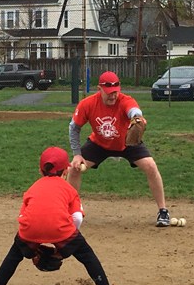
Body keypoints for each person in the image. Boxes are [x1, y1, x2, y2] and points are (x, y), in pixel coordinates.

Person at [0, 147, 126, 285]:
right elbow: (77, 218)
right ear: (66, 170)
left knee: (14, 254)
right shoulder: (69, 189)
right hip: (62, 229)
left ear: (40, 170)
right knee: (87, 255)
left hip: (29, 229)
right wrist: (68, 245)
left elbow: (26, 217)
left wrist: (32, 248)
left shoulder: (32, 188)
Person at [67, 71, 171, 227]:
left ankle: (163, 211)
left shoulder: (124, 101)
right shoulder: (88, 104)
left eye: (115, 92)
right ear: (99, 89)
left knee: (151, 167)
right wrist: (77, 154)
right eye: (109, 93)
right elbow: (74, 128)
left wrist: (136, 117)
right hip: (99, 144)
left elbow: (134, 110)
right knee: (74, 169)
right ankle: (70, 211)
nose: (113, 96)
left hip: (126, 143)